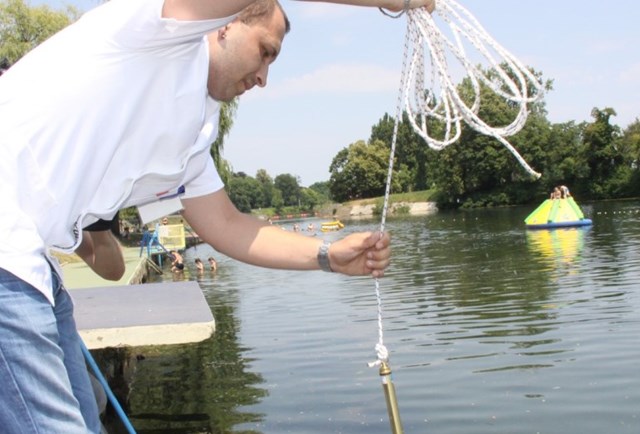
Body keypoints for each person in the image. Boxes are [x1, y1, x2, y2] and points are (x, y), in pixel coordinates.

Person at [0, 0, 433, 430]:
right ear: (225, 24)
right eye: (265, 52)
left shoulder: (193, 135)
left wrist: (329, 255)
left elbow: (227, 225)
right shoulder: (151, 34)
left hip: (31, 262)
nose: (265, 78)